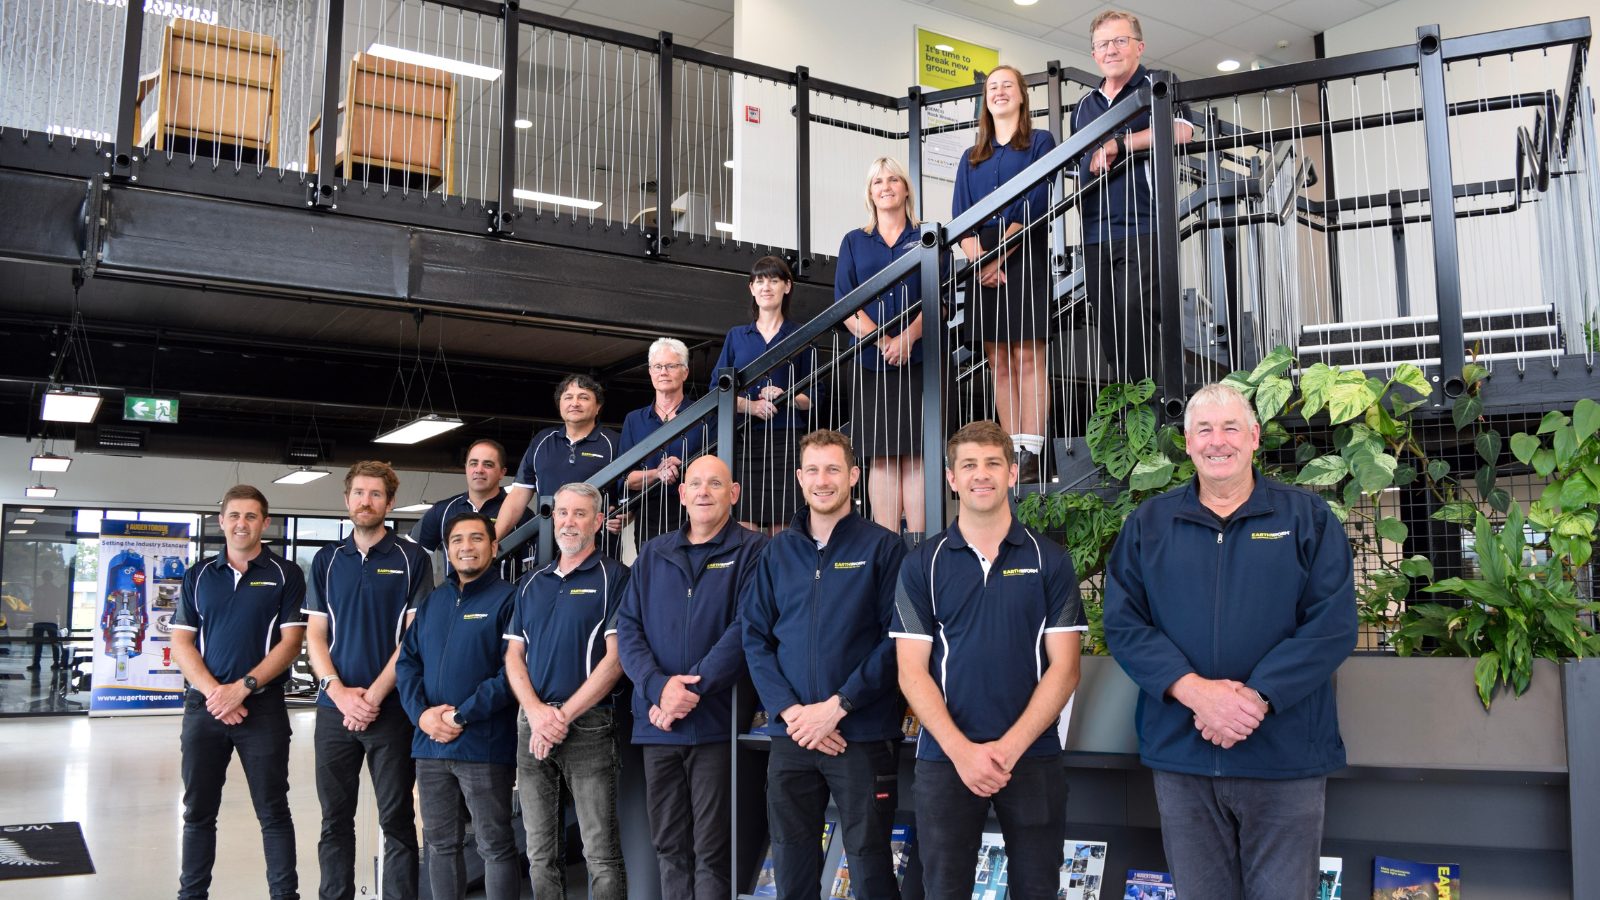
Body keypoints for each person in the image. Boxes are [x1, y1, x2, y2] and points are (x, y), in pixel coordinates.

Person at [1102, 383, 1356, 900]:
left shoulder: (1307, 518)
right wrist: (1196, 692)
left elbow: (1331, 625)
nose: (1218, 441)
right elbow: (1124, 624)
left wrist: (1256, 698)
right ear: (1188, 443)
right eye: (1204, 430)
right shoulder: (1149, 524)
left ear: (1255, 437)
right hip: (1183, 756)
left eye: (1230, 428)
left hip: (1284, 757)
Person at [891, 420, 1085, 900]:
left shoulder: (1050, 560)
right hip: (945, 757)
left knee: (1037, 889)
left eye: (993, 464)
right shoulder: (921, 564)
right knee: (944, 890)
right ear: (951, 478)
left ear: (1012, 473)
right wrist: (963, 753)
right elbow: (911, 672)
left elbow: (1065, 669)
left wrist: (1008, 749)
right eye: (969, 465)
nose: (981, 474)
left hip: (1032, 756)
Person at [741, 429, 906, 900]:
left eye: (833, 469)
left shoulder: (884, 548)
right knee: (792, 868)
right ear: (799, 478)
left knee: (871, 868)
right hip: (792, 736)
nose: (822, 480)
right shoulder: (776, 551)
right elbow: (755, 637)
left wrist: (838, 707)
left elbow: (897, 640)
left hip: (861, 734)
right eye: (812, 470)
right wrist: (792, 713)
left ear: (853, 476)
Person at [615, 454, 767, 900]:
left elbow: (745, 629)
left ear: (733, 494)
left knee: (712, 849)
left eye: (715, 484)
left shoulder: (755, 551)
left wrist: (686, 692)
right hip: (657, 723)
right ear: (681, 494)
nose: (704, 492)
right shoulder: (653, 553)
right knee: (668, 844)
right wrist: (658, 688)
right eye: (695, 483)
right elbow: (629, 628)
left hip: (715, 722)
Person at [169, 484, 307, 900]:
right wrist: (218, 695)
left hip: (262, 710)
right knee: (197, 813)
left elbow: (291, 644)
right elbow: (181, 643)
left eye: (250, 516)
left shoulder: (286, 574)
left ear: (265, 523)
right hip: (204, 708)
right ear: (221, 521)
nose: (241, 524)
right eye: (234, 515)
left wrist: (243, 688)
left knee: (273, 811)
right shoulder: (198, 576)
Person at [304, 460, 434, 900]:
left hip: (391, 711)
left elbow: (413, 638)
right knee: (334, 820)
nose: (366, 501)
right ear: (346, 500)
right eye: (359, 493)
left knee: (396, 820)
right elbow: (315, 635)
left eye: (376, 494)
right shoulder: (326, 560)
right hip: (333, 711)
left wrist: (374, 696)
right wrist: (338, 692)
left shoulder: (413, 559)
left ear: (389, 503)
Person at [505, 482, 630, 900]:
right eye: (562, 513)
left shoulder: (615, 577)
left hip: (589, 725)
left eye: (580, 513)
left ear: (598, 521)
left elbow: (615, 661)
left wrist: (560, 716)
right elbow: (513, 656)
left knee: (600, 854)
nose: (569, 522)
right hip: (532, 725)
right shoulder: (531, 583)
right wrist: (537, 712)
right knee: (540, 854)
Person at [395, 511, 519, 900]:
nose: (466, 547)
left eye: (476, 538)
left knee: (494, 845)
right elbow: (407, 663)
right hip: (430, 745)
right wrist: (421, 716)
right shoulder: (434, 601)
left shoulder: (510, 599)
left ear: (494, 546)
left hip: (484, 745)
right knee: (439, 844)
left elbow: (513, 673)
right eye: (457, 540)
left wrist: (460, 715)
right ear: (448, 550)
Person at [1072, 10, 1194, 387]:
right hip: (1095, 230)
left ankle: (1155, 401)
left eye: (1120, 41)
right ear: (1094, 54)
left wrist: (1120, 144)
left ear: (1139, 47)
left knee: (1136, 315)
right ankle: (1131, 402)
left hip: (1144, 223)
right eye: (1103, 44)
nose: (1111, 50)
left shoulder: (1158, 83)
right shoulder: (1085, 104)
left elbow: (1182, 131)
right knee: (1109, 323)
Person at [952, 65, 1059, 484]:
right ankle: (1010, 450)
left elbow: (1035, 202)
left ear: (1022, 96)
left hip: (1023, 250)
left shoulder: (1040, 142)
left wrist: (996, 258)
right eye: (992, 87)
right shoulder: (971, 156)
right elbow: (960, 217)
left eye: (1007, 86)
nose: (998, 92)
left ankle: (1033, 452)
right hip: (980, 259)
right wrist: (979, 260)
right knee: (998, 359)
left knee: (1028, 354)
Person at [836, 157, 937, 535]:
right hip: (870, 363)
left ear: (906, 188)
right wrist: (885, 341)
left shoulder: (928, 235)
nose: (886, 187)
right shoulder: (853, 242)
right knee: (880, 457)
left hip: (921, 359)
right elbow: (845, 305)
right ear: (870, 193)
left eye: (893, 179)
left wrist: (909, 337)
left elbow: (940, 299)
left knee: (916, 455)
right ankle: (888, 548)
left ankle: (919, 548)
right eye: (878, 182)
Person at [713, 256, 814, 532]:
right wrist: (752, 406)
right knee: (745, 526)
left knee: (784, 526)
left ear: (787, 286)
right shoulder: (736, 336)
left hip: (786, 440)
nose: (766, 287)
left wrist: (786, 395)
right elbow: (716, 392)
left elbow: (814, 396)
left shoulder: (801, 335)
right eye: (759, 281)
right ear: (751, 288)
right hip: (745, 439)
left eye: (773, 280)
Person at [497, 374, 622, 544]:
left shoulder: (614, 442)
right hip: (547, 545)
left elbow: (630, 488)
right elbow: (519, 495)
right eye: (568, 397)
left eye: (583, 397)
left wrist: (627, 515)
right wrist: (494, 539)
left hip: (599, 545)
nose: (575, 403)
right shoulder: (542, 441)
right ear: (560, 404)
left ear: (598, 406)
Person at [619, 338, 711, 548]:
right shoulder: (634, 420)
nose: (663, 372)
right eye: (658, 366)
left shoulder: (704, 415)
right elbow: (625, 479)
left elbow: (717, 466)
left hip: (696, 511)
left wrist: (683, 469)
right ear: (650, 372)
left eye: (671, 366)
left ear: (685, 372)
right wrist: (656, 474)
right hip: (649, 514)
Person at [409, 439, 529, 578]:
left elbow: (536, 569)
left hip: (506, 592)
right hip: (455, 592)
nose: (479, 470)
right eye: (473, 463)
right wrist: (430, 590)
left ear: (502, 472)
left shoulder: (520, 514)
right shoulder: (442, 510)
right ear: (466, 468)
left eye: (488, 465)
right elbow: (408, 557)